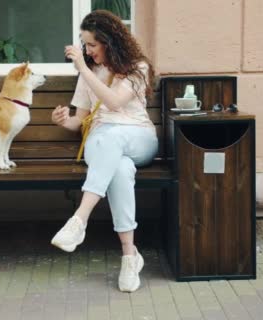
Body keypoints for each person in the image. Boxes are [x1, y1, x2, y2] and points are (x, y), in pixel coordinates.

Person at [50, 10, 157, 292]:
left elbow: (113, 102)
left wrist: (83, 70)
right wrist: (64, 121)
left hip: (138, 137)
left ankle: (79, 220)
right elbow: (80, 120)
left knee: (112, 138)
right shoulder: (89, 72)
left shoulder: (137, 68)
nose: (87, 51)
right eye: (84, 45)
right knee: (119, 169)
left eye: (92, 45)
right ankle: (129, 256)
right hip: (102, 144)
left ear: (109, 41)